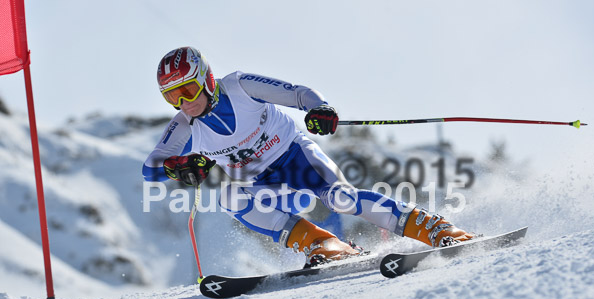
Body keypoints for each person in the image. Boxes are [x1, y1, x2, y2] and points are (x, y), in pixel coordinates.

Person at [143, 46, 474, 267]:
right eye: (172, 96)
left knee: (341, 199)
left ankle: (436, 228)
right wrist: (176, 167)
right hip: (264, 183)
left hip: (297, 158)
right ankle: (327, 245)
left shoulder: (240, 86)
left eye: (187, 90)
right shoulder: (184, 126)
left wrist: (320, 108)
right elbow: (151, 167)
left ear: (207, 79)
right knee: (229, 197)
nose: (184, 103)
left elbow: (298, 94)